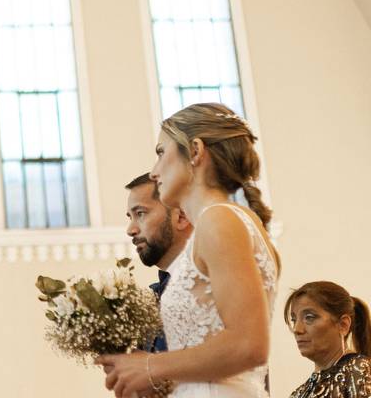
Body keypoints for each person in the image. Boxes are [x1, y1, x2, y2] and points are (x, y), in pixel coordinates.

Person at [97, 102, 280, 397]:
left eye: (161, 153)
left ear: (195, 151)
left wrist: (150, 366)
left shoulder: (219, 220)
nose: (155, 172)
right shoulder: (234, 220)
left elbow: (250, 344)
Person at [125, 172, 193, 352]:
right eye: (130, 217)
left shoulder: (213, 283)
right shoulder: (153, 298)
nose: (130, 230)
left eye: (140, 213)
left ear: (181, 217)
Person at [285, 281, 371, 397]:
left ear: (343, 325)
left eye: (309, 317)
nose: (297, 329)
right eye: (294, 320)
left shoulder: (359, 371)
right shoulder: (300, 392)